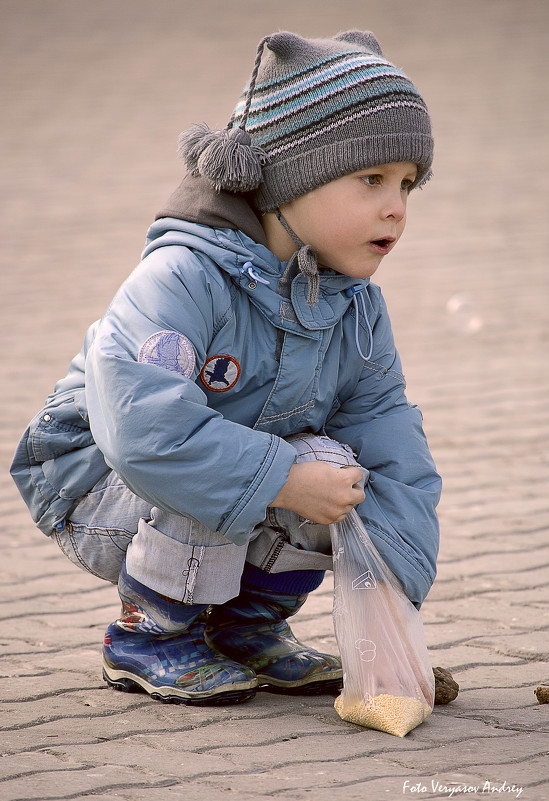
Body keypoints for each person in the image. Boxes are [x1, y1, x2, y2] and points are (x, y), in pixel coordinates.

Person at [11, 30, 441, 706]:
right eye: (370, 179)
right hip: (97, 482)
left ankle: (244, 626)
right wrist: (285, 479)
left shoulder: (356, 307)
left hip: (209, 469)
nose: (396, 208)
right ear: (292, 174)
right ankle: (148, 633)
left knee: (336, 462)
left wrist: (392, 586)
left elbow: (388, 438)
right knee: (237, 452)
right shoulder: (181, 275)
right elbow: (147, 433)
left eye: (407, 185)